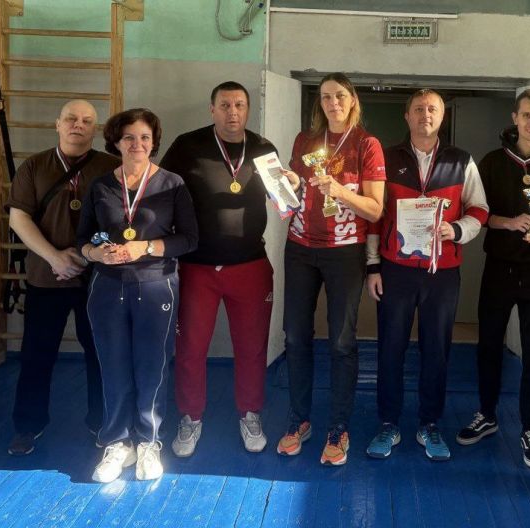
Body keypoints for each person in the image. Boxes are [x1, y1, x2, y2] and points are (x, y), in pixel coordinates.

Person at [161, 81, 296, 457]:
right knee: (190, 348)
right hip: (196, 266)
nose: (232, 112)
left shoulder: (264, 149)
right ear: (212, 109)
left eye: (239, 105)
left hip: (249, 264)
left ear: (248, 110)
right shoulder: (187, 145)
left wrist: (293, 187)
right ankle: (190, 417)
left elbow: (284, 202)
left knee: (252, 348)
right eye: (224, 105)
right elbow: (161, 193)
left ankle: (250, 413)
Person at [365, 89, 488, 461]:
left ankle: (429, 424)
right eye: (418, 109)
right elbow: (374, 215)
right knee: (391, 348)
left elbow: (479, 209)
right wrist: (373, 265)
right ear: (407, 116)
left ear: (442, 116)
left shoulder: (461, 160)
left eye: (432, 109)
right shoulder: (386, 158)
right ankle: (388, 423)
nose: (425, 115)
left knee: (437, 350)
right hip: (396, 270)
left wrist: (458, 229)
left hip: (442, 273)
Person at [458, 89, 530, 469]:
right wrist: (509, 222)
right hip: (499, 267)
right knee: (489, 345)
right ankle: (487, 413)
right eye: (526, 115)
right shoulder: (493, 162)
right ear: (515, 117)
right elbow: (478, 213)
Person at [78, 108, 198, 483]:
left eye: (145, 137)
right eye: (129, 137)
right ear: (116, 142)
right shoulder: (100, 186)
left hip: (156, 283)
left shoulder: (172, 184)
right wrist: (96, 253)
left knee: (152, 366)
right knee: (112, 365)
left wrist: (144, 247)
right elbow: (82, 240)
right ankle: (117, 442)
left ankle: (148, 441)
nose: (137, 144)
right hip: (107, 286)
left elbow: (189, 239)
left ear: (153, 142)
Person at [276, 73, 385, 466]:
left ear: (352, 99)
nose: (332, 103)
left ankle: (338, 426)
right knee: (294, 337)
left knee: (341, 342)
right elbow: (294, 189)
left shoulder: (367, 144)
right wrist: (289, 181)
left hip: (345, 252)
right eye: (325, 97)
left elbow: (375, 210)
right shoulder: (305, 141)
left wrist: (338, 191)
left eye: (339, 95)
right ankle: (299, 420)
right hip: (300, 248)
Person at [5, 100, 120, 456]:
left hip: (96, 278)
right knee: (36, 355)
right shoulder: (34, 166)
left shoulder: (110, 167)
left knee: (100, 355)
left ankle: (102, 422)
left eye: (86, 120)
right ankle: (28, 425)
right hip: (46, 276)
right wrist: (55, 257)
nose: (78, 125)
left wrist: (85, 256)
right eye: (71, 118)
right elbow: (18, 218)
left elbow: (120, 220)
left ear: (95, 129)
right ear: (57, 124)